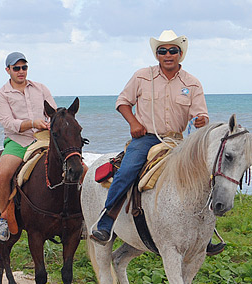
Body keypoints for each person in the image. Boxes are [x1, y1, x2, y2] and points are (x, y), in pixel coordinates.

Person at [90, 30, 226, 255]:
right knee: (127, 171)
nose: (168, 54)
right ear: (157, 55)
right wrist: (134, 123)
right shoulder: (143, 76)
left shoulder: (192, 83)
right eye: (162, 51)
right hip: (146, 138)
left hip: (178, 140)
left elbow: (200, 116)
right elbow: (122, 102)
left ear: (180, 54)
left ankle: (206, 232)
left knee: (205, 175)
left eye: (173, 50)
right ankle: (106, 221)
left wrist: (202, 120)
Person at [0, 52, 56, 242]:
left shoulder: (41, 88)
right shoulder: (2, 95)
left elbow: (52, 111)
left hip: (44, 138)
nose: (21, 71)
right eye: (16, 68)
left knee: (78, 168)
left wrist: (54, 122)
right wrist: (33, 123)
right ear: (8, 70)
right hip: (18, 140)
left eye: (24, 67)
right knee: (3, 175)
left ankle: (80, 216)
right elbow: (8, 123)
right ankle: (3, 219)